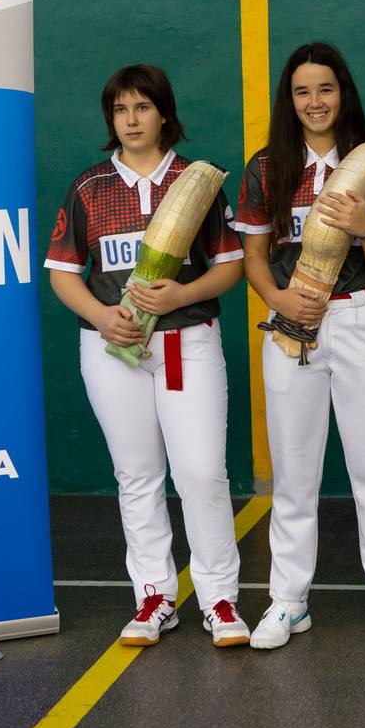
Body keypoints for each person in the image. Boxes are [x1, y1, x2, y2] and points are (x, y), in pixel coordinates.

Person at [45, 64, 250, 648]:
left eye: (142, 108)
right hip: (113, 347)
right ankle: (155, 595)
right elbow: (63, 273)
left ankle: (219, 599)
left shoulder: (198, 181)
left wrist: (184, 292)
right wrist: (100, 314)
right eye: (120, 110)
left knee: (202, 473)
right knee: (136, 475)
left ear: (164, 113)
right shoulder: (90, 188)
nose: (131, 120)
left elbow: (231, 265)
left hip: (187, 342)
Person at [234, 42, 365, 648]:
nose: (315, 102)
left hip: (361, 318)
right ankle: (289, 600)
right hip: (290, 327)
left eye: (326, 89)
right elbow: (255, 258)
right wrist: (277, 301)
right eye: (303, 91)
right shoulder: (265, 168)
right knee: (294, 474)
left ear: (344, 94)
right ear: (290, 100)